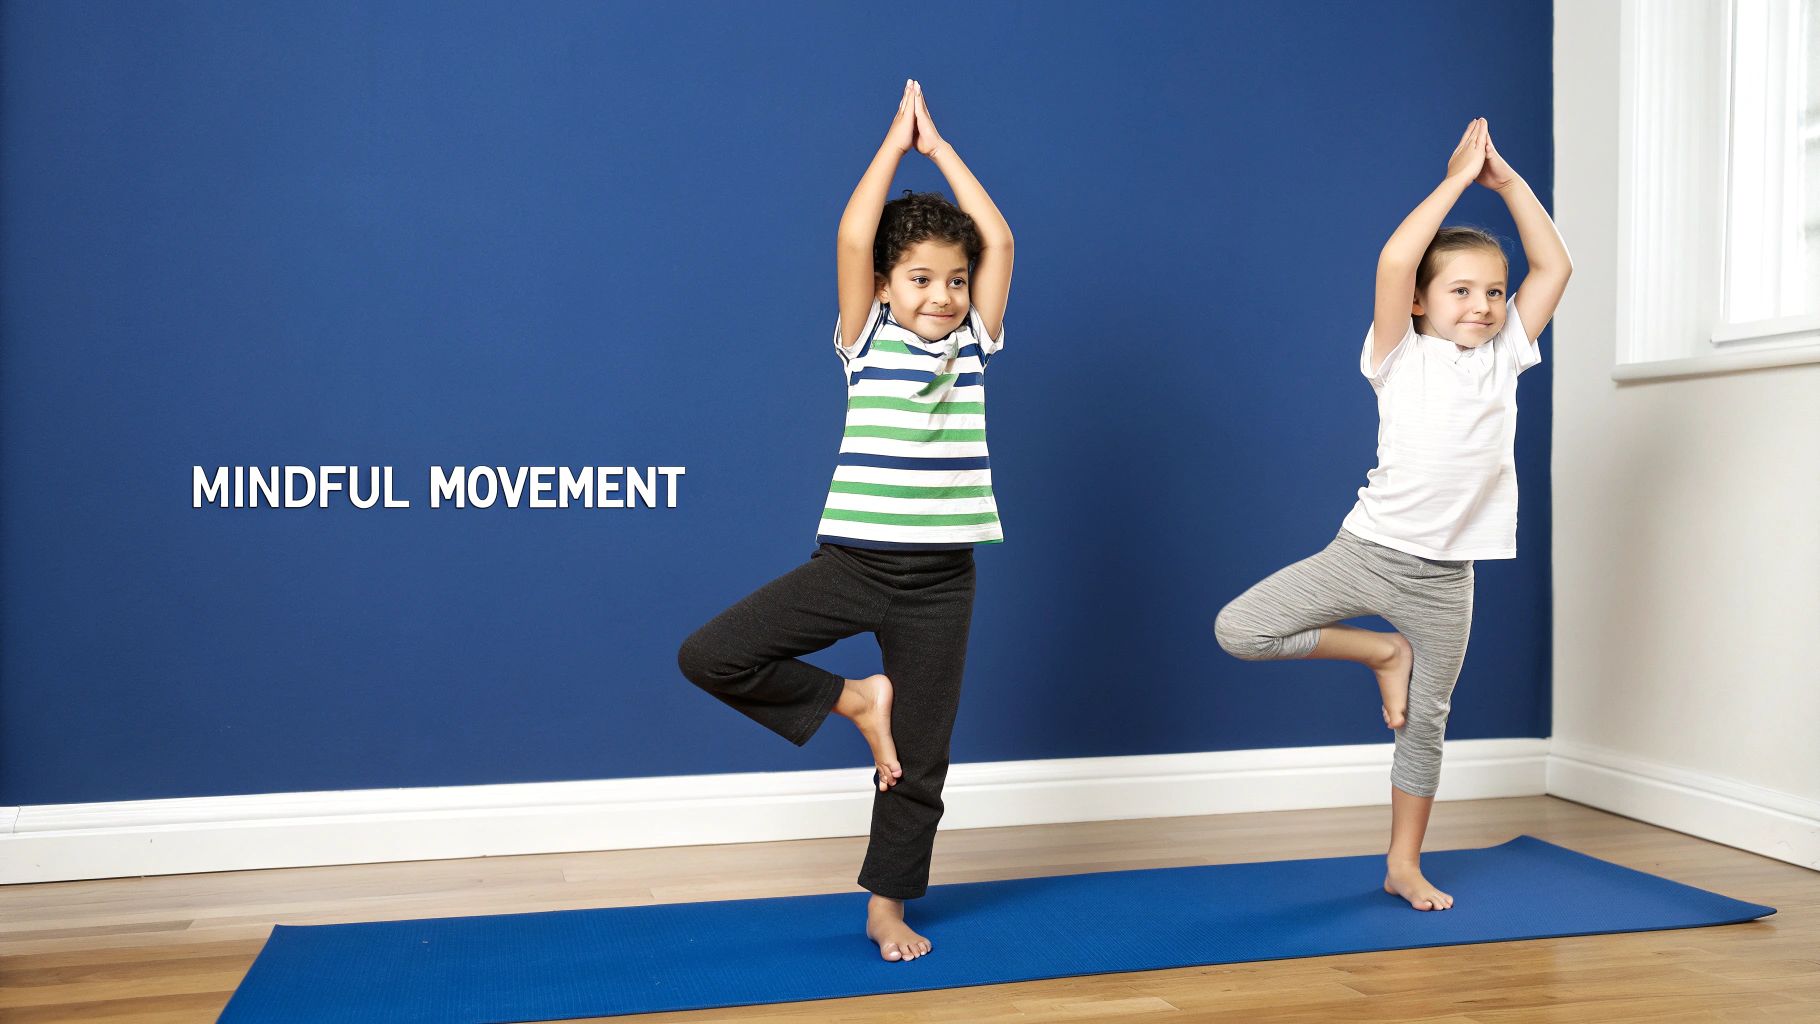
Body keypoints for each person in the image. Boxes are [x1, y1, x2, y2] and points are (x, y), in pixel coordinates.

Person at [678, 79, 1013, 960]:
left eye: (954, 280)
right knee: (711, 653)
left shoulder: (975, 342)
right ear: (883, 287)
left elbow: (1002, 237)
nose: (941, 296)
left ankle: (886, 905)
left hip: (943, 582)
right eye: (920, 279)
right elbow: (852, 233)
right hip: (854, 564)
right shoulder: (866, 338)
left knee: (924, 757)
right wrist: (893, 147)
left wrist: (941, 152)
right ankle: (855, 701)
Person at [1214, 118, 1571, 911]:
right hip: (1369, 549)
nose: (1481, 306)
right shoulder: (1396, 353)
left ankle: (1403, 863)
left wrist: (1507, 184)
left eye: (1492, 292)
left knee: (1427, 727)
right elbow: (1393, 258)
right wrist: (1453, 182)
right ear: (1419, 302)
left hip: (1448, 581)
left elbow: (1556, 264)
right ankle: (1380, 652)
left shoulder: (1506, 353)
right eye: (1460, 290)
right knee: (1241, 629)